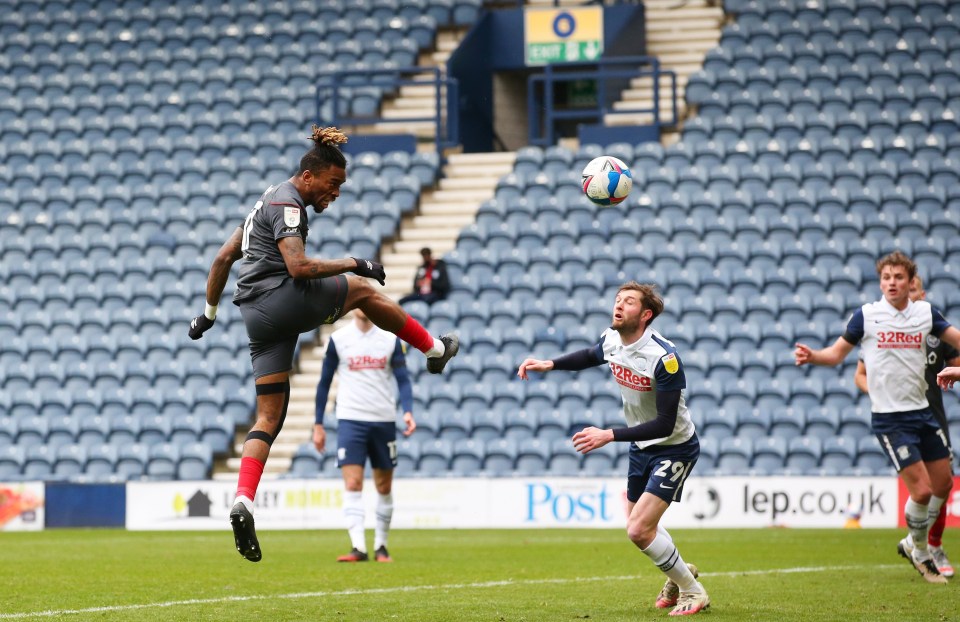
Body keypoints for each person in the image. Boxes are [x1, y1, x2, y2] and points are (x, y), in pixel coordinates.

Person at [188, 126, 459, 563]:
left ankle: (243, 500)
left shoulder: (264, 203)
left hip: (255, 318)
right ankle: (433, 350)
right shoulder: (289, 204)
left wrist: (209, 314)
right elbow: (297, 267)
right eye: (333, 185)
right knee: (363, 290)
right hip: (280, 300)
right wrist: (357, 262)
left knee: (269, 417)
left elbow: (223, 258)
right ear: (309, 175)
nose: (336, 194)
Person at [517, 281, 710, 617]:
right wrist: (550, 364)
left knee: (638, 530)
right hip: (640, 447)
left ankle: (693, 592)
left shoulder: (665, 358)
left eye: (629, 302)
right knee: (638, 525)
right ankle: (680, 575)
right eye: (618, 300)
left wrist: (609, 434)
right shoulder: (612, 339)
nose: (618, 305)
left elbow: (665, 423)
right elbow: (592, 355)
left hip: (674, 447)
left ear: (646, 314)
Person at [795, 251, 960, 584]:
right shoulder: (867, 316)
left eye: (899, 277)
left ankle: (917, 545)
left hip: (924, 413)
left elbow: (956, 339)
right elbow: (837, 353)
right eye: (886, 278)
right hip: (890, 420)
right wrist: (814, 356)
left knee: (943, 483)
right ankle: (920, 549)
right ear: (880, 281)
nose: (892, 283)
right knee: (923, 490)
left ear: (910, 281)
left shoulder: (925, 313)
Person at [854, 275, 959, 578]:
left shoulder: (936, 332)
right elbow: (860, 374)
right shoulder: (882, 330)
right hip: (899, 414)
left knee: (944, 484)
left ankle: (924, 544)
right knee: (924, 487)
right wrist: (879, 390)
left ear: (920, 294)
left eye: (911, 290)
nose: (903, 296)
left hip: (932, 413)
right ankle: (927, 546)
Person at [314, 308, 416, 563]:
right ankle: (358, 547)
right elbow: (324, 382)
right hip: (350, 419)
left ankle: (381, 546)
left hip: (383, 419)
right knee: (352, 483)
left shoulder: (390, 338)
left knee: (384, 486)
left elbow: (403, 379)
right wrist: (318, 423)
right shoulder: (338, 339)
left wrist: (408, 411)